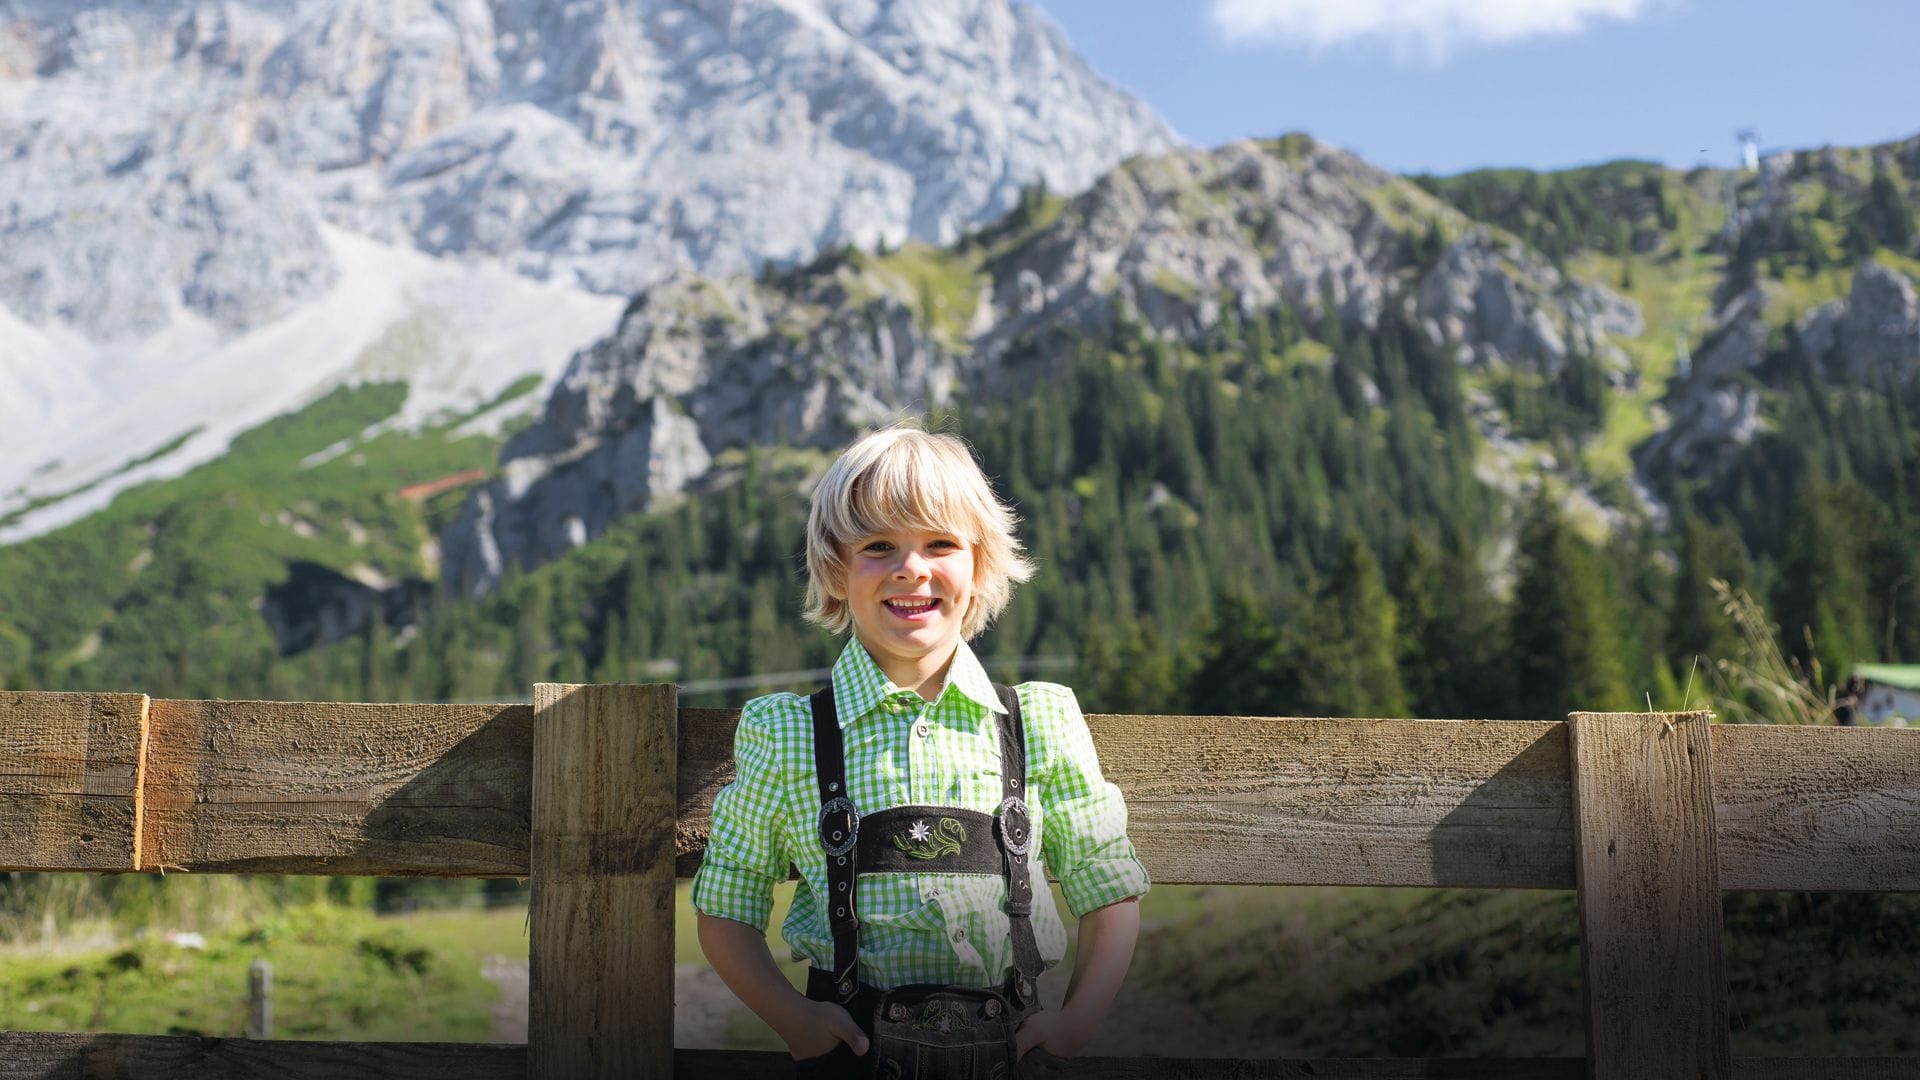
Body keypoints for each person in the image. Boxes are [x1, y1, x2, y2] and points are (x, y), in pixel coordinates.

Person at [693, 422, 1150, 1079]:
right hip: (851, 1056)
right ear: (836, 570)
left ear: (980, 564)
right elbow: (727, 905)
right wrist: (793, 1022)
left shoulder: (1039, 721)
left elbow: (1108, 887)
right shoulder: (789, 732)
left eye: (940, 543)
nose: (912, 567)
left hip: (1015, 1054)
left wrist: (1076, 1025)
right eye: (879, 546)